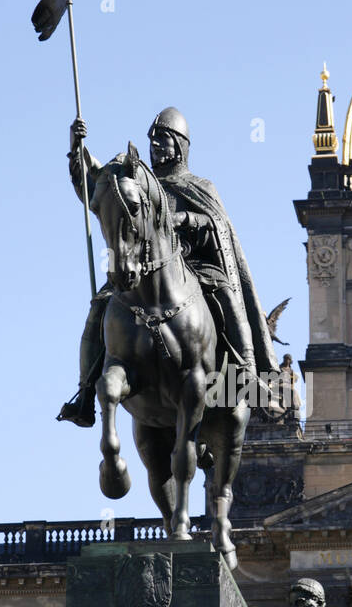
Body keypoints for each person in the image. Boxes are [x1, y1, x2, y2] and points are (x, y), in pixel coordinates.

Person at [58, 107, 278, 426]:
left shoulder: (199, 185)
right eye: (151, 140)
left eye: (162, 139)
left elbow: (217, 224)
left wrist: (185, 219)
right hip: (142, 268)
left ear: (180, 144)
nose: (154, 145)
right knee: (100, 305)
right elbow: (98, 193)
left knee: (227, 294)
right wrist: (76, 152)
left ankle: (247, 377)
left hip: (195, 265)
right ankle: (86, 394)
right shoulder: (137, 184)